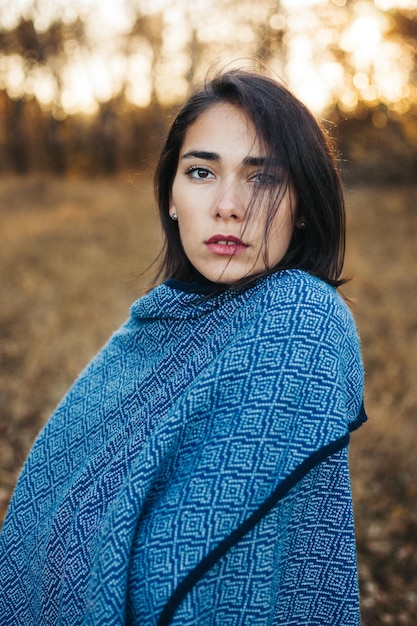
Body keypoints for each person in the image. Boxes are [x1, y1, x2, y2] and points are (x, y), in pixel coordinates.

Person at [0, 68, 367, 625]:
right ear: (171, 197)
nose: (228, 205)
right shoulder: (150, 330)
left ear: (305, 204)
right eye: (201, 172)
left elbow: (200, 563)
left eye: (262, 179)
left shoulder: (302, 318)